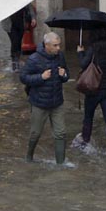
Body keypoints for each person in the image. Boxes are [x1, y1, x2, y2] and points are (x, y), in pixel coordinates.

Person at [19, 32, 69, 165]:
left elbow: (66, 75)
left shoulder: (60, 57)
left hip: (57, 102)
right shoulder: (34, 59)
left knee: (61, 133)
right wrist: (41, 77)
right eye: (55, 45)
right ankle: (29, 157)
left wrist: (64, 75)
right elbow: (23, 77)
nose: (58, 48)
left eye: (59, 45)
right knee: (35, 133)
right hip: (39, 103)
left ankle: (61, 164)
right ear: (46, 45)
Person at [76, 29, 106, 156]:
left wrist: (80, 53)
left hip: (93, 89)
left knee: (88, 117)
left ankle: (85, 143)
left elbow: (83, 64)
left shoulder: (93, 49)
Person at [6, 4, 35, 72]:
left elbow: (29, 7)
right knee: (14, 41)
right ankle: (14, 62)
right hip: (10, 24)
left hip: (21, 23)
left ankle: (18, 59)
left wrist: (33, 18)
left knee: (19, 42)